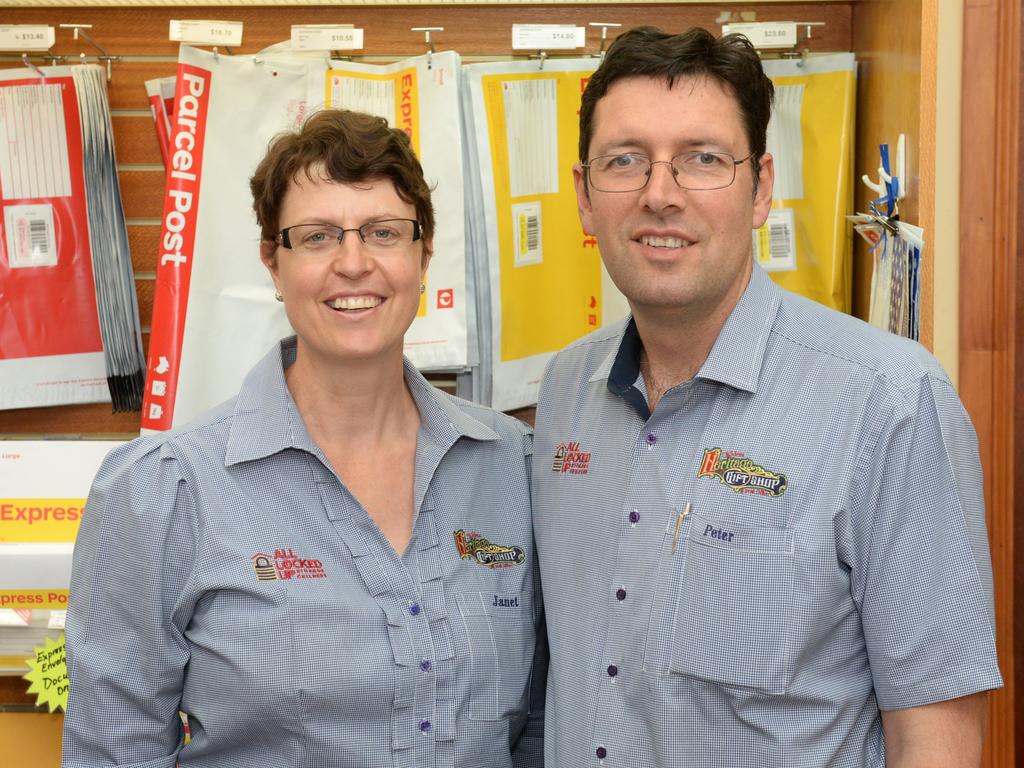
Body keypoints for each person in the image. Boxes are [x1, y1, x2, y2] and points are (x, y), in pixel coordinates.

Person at [532, 26, 1001, 768]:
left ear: (762, 190)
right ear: (585, 199)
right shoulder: (563, 395)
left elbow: (937, 734)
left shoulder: (890, 402)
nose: (660, 194)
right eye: (624, 161)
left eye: (703, 160)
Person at [64, 109, 544, 768]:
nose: (354, 264)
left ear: (423, 254)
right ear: (273, 260)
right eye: (317, 237)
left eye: (383, 232)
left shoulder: (511, 468)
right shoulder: (168, 486)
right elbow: (111, 753)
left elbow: (543, 729)